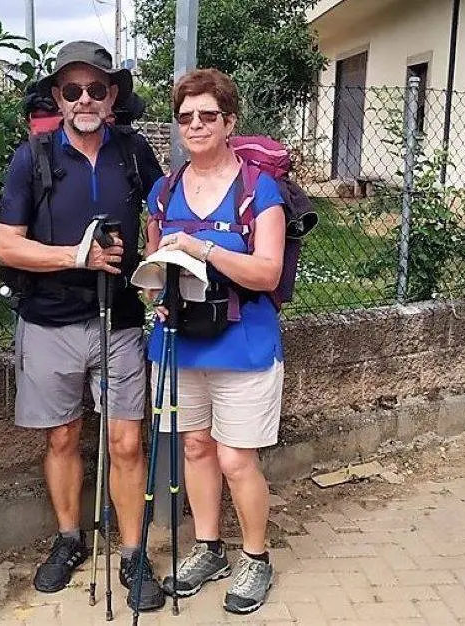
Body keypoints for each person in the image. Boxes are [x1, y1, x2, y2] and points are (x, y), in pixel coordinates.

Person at [0, 41, 167, 612]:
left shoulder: (133, 152)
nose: (85, 99)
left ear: (112, 95)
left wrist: (156, 273)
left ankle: (133, 552)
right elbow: (7, 246)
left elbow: (161, 213)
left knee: (126, 441)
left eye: (96, 88)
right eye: (73, 90)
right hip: (49, 321)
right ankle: (69, 538)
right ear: (58, 97)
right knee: (62, 436)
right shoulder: (33, 157)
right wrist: (77, 257)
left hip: (120, 320)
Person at [142, 68, 286, 615]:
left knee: (235, 458)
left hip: (243, 341)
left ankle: (256, 556)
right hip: (180, 340)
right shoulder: (164, 191)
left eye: (208, 115)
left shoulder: (257, 189)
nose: (196, 125)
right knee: (196, 447)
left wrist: (203, 249)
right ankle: (208, 549)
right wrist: (154, 291)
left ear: (229, 122)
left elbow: (267, 272)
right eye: (185, 117)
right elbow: (154, 263)